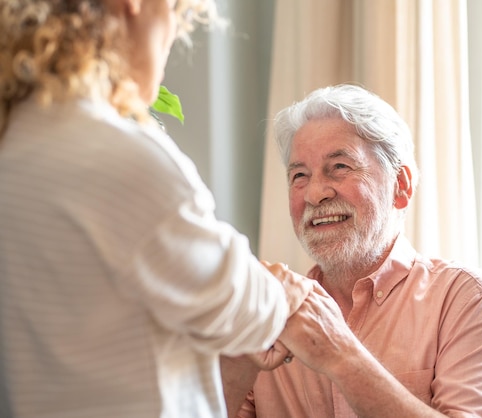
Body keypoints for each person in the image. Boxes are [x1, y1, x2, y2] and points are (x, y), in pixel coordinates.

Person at [0, 1, 313, 417]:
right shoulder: (121, 158)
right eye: (175, 18)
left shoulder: (15, 148)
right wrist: (283, 291)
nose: (171, 42)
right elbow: (243, 307)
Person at [226, 84, 482, 417]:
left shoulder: (468, 302)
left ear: (401, 186)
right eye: (299, 175)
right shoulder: (272, 313)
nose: (315, 194)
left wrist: (340, 355)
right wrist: (240, 354)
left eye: (340, 167)